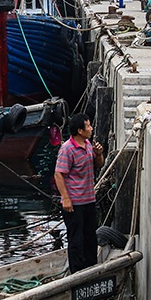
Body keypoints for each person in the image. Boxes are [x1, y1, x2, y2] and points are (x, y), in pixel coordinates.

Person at [54, 112, 104, 273]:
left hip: (89, 200)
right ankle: (77, 273)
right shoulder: (67, 149)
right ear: (80, 131)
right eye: (88, 125)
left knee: (90, 238)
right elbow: (59, 174)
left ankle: (91, 270)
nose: (91, 128)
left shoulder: (88, 145)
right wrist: (66, 199)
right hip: (74, 203)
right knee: (76, 240)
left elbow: (99, 165)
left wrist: (98, 154)